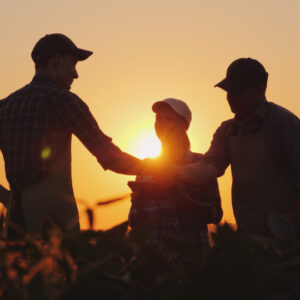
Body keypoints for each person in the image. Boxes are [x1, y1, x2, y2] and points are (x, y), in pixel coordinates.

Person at [0, 33, 148, 238]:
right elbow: (111, 158)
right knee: (60, 269)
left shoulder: (5, 105)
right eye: (73, 64)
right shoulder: (62, 100)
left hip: (15, 221)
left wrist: (11, 198)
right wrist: (159, 170)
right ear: (57, 61)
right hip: (54, 222)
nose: (76, 74)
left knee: (21, 270)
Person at [172, 58, 300, 236]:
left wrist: (289, 223)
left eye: (237, 91)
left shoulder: (284, 124)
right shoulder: (227, 130)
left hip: (289, 241)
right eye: (228, 90)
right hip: (249, 236)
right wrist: (164, 171)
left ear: (260, 90)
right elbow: (207, 169)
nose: (230, 96)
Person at [128, 98, 223, 248]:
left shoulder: (201, 163)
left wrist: (185, 203)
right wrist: (139, 205)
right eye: (159, 119)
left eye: (169, 119)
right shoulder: (146, 166)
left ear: (184, 125)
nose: (162, 123)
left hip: (192, 256)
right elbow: (133, 221)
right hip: (154, 258)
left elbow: (215, 214)